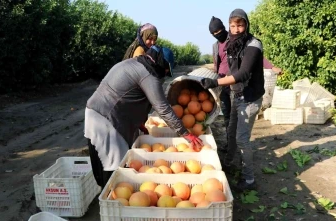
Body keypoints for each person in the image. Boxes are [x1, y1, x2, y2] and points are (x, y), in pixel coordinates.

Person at [85, 46, 203, 188]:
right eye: (166, 70)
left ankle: (109, 197)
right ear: (161, 64)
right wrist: (185, 134)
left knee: (104, 163)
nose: (165, 73)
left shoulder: (132, 64)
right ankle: (110, 203)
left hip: (95, 114)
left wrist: (139, 122)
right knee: (114, 167)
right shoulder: (148, 75)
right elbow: (163, 108)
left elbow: (126, 96)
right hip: (107, 120)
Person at [201, 9, 264, 192]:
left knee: (242, 139)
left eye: (240, 25)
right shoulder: (231, 44)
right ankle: (228, 163)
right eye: (233, 26)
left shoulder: (254, 44)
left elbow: (243, 73)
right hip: (237, 95)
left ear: (246, 25)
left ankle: (249, 180)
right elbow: (230, 70)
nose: (236, 29)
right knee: (231, 131)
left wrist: (215, 81)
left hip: (250, 98)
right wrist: (216, 83)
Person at [209, 16, 231, 153]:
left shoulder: (234, 40)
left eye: (220, 31)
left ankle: (236, 144)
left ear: (224, 28)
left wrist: (271, 67)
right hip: (222, 83)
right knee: (227, 113)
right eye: (214, 34)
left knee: (235, 115)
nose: (218, 35)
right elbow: (216, 64)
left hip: (235, 81)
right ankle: (230, 144)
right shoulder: (215, 46)